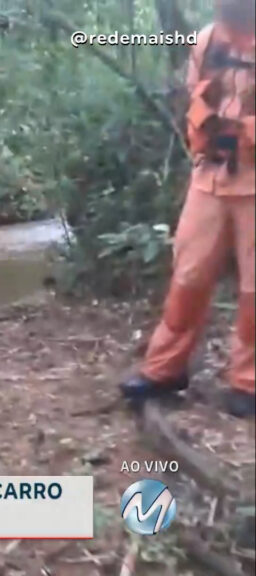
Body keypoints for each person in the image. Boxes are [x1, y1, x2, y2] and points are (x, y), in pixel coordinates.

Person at [121, 0, 255, 418]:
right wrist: (206, 136)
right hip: (210, 177)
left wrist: (242, 132)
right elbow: (192, 97)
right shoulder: (206, 40)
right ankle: (165, 368)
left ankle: (248, 380)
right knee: (189, 274)